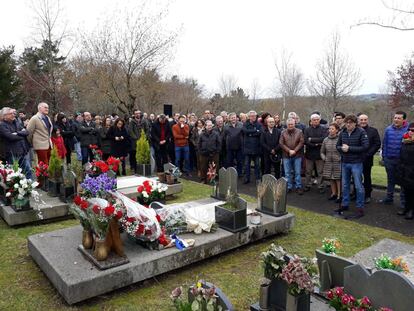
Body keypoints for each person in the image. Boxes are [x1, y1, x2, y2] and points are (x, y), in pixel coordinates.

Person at [335, 115, 369, 219]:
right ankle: (345, 205)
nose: (348, 124)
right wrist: (342, 149)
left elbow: (365, 147)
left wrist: (350, 149)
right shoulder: (343, 132)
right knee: (345, 185)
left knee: (358, 186)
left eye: (351, 122)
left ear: (355, 123)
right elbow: (337, 146)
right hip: (345, 162)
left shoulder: (361, 132)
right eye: (347, 122)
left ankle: (360, 208)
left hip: (356, 163)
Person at [380, 111, 408, 208]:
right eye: (395, 117)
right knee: (390, 180)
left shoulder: (408, 130)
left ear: (404, 120)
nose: (396, 120)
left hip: (402, 161)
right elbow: (384, 144)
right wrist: (384, 157)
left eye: (398, 118)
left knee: (403, 182)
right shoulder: (388, 129)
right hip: (389, 159)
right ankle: (389, 198)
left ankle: (403, 202)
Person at [0, 107, 32, 179]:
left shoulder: (16, 123)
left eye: (14, 113)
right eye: (11, 114)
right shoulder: (2, 125)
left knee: (28, 171)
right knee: (14, 174)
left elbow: (27, 132)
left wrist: (17, 133)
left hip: (22, 152)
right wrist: (21, 135)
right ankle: (16, 190)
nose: (13, 115)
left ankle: (31, 188)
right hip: (12, 154)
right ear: (5, 116)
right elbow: (10, 137)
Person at [357, 114, 381, 204]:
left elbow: (377, 143)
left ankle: (367, 195)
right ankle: (356, 194)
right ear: (358, 120)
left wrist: (369, 153)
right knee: (356, 177)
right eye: (361, 119)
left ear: (367, 120)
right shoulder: (355, 130)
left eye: (365, 120)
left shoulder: (373, 131)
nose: (363, 121)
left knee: (367, 177)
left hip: (367, 158)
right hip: (356, 158)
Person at [279, 118, 305, 194]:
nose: (290, 126)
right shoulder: (283, 132)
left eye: (292, 124)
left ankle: (298, 187)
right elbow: (281, 143)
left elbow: (301, 142)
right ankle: (289, 187)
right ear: (287, 125)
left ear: (294, 124)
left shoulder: (299, 132)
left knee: (297, 172)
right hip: (286, 155)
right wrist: (289, 150)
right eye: (289, 124)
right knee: (287, 173)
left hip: (297, 155)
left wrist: (294, 151)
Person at [304, 114, 328, 192]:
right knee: (308, 171)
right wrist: (316, 144)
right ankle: (308, 185)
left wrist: (312, 139)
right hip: (309, 154)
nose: (316, 121)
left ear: (319, 120)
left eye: (317, 119)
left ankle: (320, 186)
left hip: (320, 154)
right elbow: (306, 141)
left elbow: (324, 139)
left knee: (320, 172)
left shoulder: (323, 129)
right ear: (311, 121)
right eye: (314, 120)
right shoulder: (307, 129)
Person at [396, 123, 414, 219]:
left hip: (412, 170)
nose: (411, 132)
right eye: (410, 130)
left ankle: (411, 210)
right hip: (404, 170)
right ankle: (406, 208)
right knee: (406, 191)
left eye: (413, 130)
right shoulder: (405, 142)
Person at [320, 123, 342, 203]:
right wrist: (324, 158)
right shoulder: (326, 140)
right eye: (329, 129)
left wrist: (340, 158)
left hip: (338, 162)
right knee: (331, 178)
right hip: (328, 162)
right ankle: (333, 194)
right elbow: (322, 152)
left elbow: (343, 150)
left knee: (338, 179)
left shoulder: (340, 139)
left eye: (332, 129)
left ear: (337, 130)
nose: (330, 130)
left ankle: (340, 195)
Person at [242, 111, 262, 184]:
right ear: (249, 117)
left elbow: (260, 132)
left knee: (257, 165)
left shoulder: (259, 124)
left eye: (254, 116)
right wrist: (254, 131)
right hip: (247, 148)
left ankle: (258, 179)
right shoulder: (245, 124)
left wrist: (250, 133)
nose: (253, 117)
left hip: (256, 148)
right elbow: (245, 131)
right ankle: (247, 178)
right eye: (252, 116)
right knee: (247, 165)